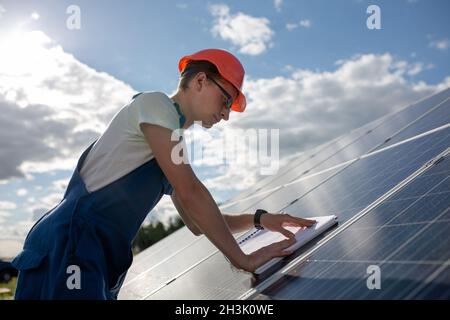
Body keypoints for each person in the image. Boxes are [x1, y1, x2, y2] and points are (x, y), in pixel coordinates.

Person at [12, 48, 316, 300]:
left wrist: (259, 219)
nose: (225, 115)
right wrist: (243, 259)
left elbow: (199, 223)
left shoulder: (170, 147)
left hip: (90, 252)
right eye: (226, 101)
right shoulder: (155, 104)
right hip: (71, 244)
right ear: (200, 81)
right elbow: (191, 192)